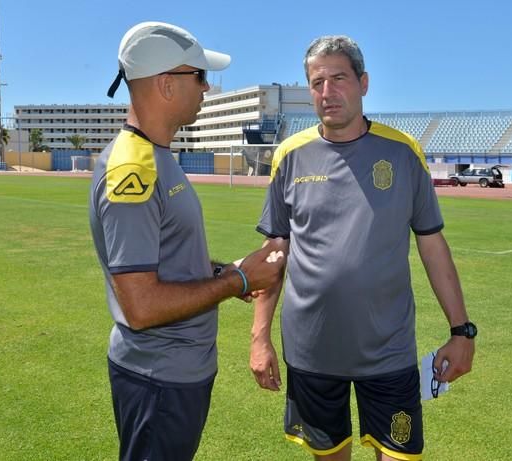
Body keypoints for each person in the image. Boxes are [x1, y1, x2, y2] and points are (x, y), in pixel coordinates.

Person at [249, 35, 476, 461]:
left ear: (363, 83)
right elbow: (274, 252)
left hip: (387, 352)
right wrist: (259, 338)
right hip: (311, 351)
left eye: (338, 78)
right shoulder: (289, 155)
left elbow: (432, 244)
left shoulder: (403, 152)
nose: (327, 92)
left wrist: (461, 330)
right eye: (317, 83)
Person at [90, 21, 285, 461]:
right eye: (199, 75)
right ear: (165, 84)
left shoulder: (156, 158)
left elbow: (163, 261)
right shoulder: (132, 170)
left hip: (173, 372)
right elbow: (141, 306)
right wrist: (235, 281)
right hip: (159, 376)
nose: (207, 87)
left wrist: (223, 271)